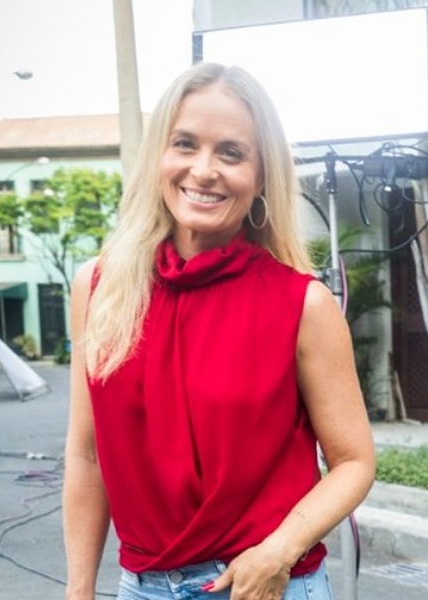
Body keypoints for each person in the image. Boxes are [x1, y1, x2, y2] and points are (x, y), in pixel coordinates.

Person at [62, 63, 376, 600]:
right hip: (140, 588)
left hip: (264, 586)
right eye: (184, 143)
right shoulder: (98, 286)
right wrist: (79, 588)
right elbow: (86, 455)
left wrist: (280, 550)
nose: (203, 170)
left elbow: (354, 462)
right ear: (159, 156)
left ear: (260, 178)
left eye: (231, 152)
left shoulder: (302, 304)